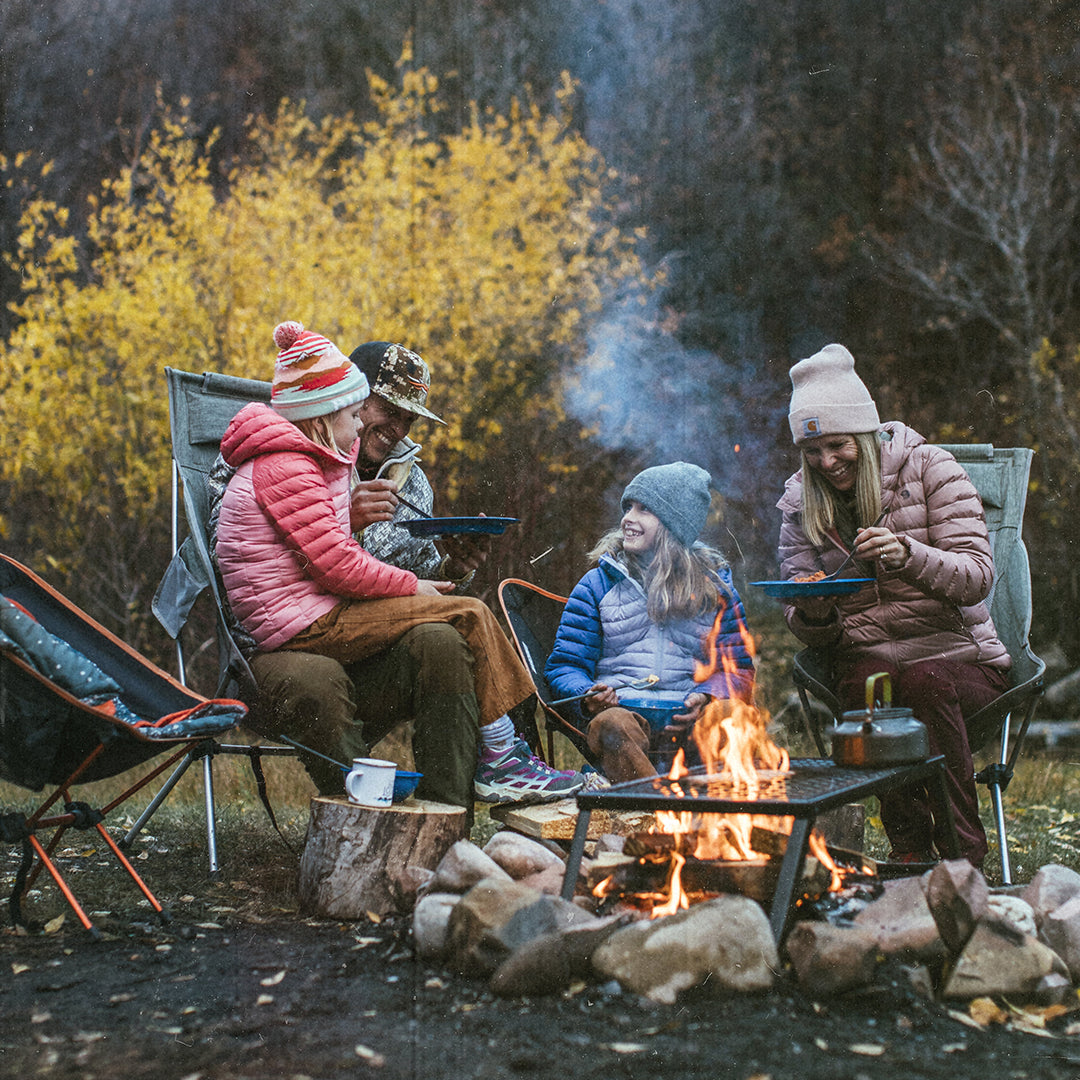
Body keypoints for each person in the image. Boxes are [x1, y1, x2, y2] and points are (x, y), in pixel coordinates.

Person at [213, 320, 582, 805]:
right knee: (447, 622)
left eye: (410, 418)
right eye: (387, 410)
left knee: (444, 638)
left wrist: (452, 568)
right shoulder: (280, 459)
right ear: (353, 402)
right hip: (283, 640)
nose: (394, 428)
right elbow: (244, 549)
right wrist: (351, 520)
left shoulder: (408, 481)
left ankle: (450, 817)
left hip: (364, 629)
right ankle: (374, 815)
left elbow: (418, 576)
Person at [776, 343, 1011, 868]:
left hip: (959, 660)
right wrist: (814, 613)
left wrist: (909, 554)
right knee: (867, 683)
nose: (826, 462)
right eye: (812, 452)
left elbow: (976, 577)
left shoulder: (930, 469)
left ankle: (961, 858)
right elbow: (812, 626)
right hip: (870, 659)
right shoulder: (800, 503)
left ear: (862, 432)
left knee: (923, 682)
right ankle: (908, 848)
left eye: (838, 445)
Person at [545, 462, 755, 781]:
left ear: (674, 525)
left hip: (689, 723)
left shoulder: (716, 591)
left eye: (644, 509)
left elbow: (738, 670)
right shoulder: (597, 585)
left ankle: (714, 812)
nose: (628, 518)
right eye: (628, 507)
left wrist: (709, 696)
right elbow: (564, 665)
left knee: (733, 715)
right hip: (623, 718)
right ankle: (652, 811)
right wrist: (588, 693)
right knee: (612, 725)